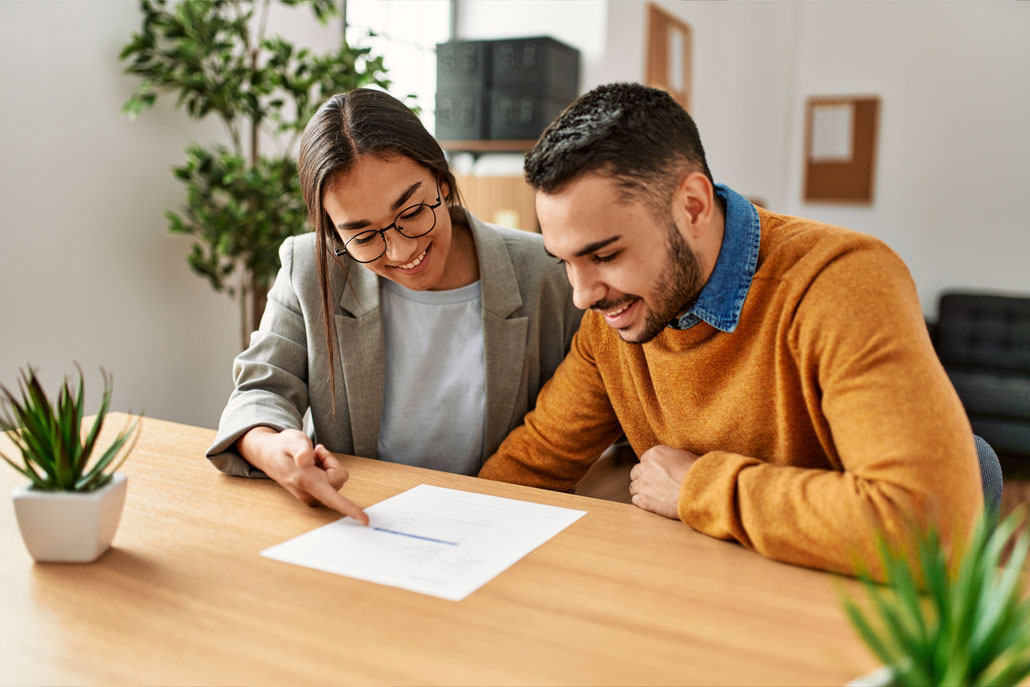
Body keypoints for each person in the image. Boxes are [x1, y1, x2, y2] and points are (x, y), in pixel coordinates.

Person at [478, 82, 983, 575]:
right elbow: (534, 463)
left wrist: (698, 487)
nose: (582, 294)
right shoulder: (613, 320)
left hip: (838, 611)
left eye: (605, 255)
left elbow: (929, 526)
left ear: (692, 206)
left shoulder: (841, 281)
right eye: (565, 262)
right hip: (707, 599)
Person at [207, 89, 582, 524]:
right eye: (363, 236)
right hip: (363, 519)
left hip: (505, 524)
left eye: (412, 210)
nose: (402, 250)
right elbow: (260, 391)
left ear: (442, 179)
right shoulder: (311, 267)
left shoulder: (546, 272)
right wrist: (273, 449)